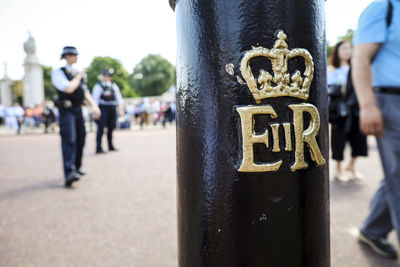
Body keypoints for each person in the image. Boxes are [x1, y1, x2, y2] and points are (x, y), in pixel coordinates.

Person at [352, 0, 400, 259]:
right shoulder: (384, 7)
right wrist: (368, 105)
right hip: (391, 101)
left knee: (396, 174)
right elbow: (360, 58)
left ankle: (372, 230)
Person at [51, 46, 100, 187]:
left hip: (78, 109)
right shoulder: (58, 72)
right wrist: (79, 76)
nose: (76, 57)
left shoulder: (78, 74)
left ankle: (77, 166)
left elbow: (84, 92)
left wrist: (94, 106)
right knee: (69, 139)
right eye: (73, 55)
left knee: (81, 138)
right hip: (66, 110)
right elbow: (68, 88)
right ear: (66, 56)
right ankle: (69, 172)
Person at [327, 40, 367, 183]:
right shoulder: (332, 69)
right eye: (344, 48)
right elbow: (328, 91)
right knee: (339, 140)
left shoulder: (355, 67)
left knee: (359, 139)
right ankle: (338, 169)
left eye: (349, 48)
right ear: (337, 51)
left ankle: (351, 166)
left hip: (355, 109)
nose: (347, 51)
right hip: (340, 111)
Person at [91, 69, 123, 154]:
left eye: (107, 76)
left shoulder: (113, 86)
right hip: (103, 108)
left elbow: (119, 98)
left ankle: (110, 146)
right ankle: (99, 147)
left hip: (112, 108)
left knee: (111, 128)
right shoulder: (98, 86)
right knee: (101, 128)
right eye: (104, 76)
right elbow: (95, 99)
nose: (106, 77)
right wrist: (95, 111)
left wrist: (120, 109)